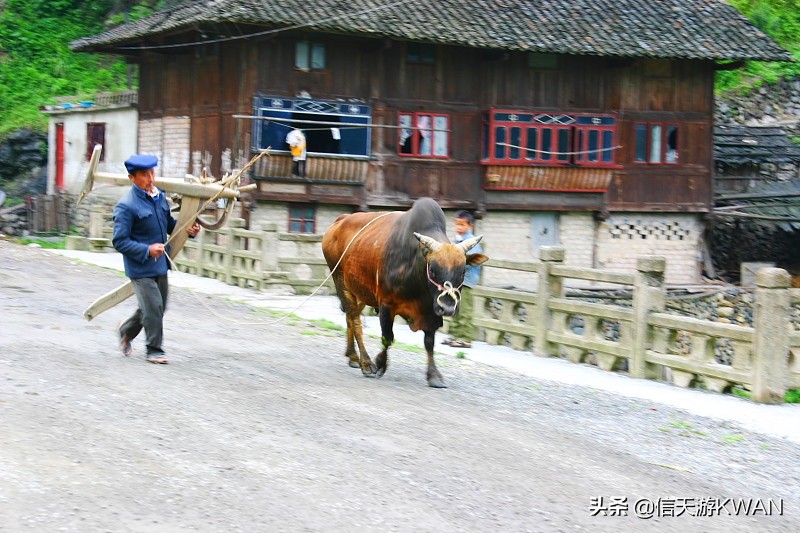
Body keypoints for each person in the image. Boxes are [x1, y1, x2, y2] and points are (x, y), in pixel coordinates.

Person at [113, 154, 201, 364]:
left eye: (152, 173)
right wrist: (147, 249)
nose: (150, 178)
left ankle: (126, 330)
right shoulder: (125, 206)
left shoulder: (159, 196)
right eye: (144, 174)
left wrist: (188, 230)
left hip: (161, 264)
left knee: (157, 306)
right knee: (153, 307)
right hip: (140, 267)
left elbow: (168, 223)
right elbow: (119, 241)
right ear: (132, 178)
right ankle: (154, 350)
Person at [443, 210, 484, 348]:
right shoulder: (456, 241)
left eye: (462, 225)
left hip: (466, 280)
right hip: (456, 281)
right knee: (455, 307)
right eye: (457, 224)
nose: (459, 227)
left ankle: (465, 338)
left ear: (470, 225)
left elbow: (471, 260)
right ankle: (455, 335)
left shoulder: (472, 242)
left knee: (465, 310)